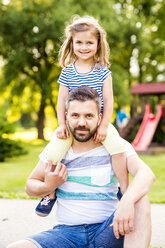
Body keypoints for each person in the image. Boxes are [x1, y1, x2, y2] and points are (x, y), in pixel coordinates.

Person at [8, 86, 155, 248]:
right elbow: (30, 185)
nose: (81, 123)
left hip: (110, 230)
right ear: (66, 117)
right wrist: (48, 185)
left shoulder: (116, 148)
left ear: (99, 118)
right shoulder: (57, 150)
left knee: (141, 201)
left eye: (89, 116)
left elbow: (146, 174)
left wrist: (127, 201)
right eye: (75, 115)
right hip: (67, 235)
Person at [35, 15, 128, 217]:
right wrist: (61, 124)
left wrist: (104, 126)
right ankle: (49, 194)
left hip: (98, 122)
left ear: (98, 44)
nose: (84, 47)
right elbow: (61, 101)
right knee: (53, 153)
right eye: (79, 42)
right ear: (72, 43)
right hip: (72, 125)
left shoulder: (103, 72)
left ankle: (124, 189)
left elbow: (109, 101)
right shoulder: (67, 72)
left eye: (89, 42)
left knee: (118, 149)